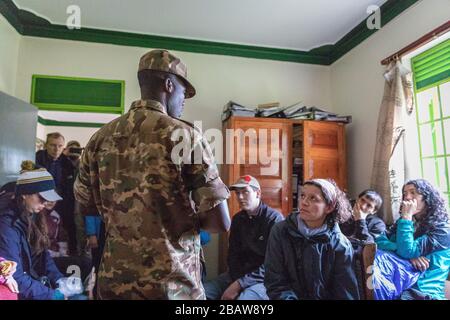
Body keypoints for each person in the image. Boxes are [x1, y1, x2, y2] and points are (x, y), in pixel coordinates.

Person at [74, 49, 231, 300]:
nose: (183, 101)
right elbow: (220, 222)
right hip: (172, 287)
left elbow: (85, 206)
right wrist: (176, 218)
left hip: (115, 284)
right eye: (183, 93)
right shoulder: (186, 136)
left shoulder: (100, 138)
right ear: (169, 85)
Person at [264, 178, 360, 300]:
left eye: (313, 198)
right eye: (302, 196)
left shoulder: (340, 244)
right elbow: (275, 281)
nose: (304, 202)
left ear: (329, 207)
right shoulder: (280, 231)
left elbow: (344, 291)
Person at [204, 175, 284, 300]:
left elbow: (272, 265)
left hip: (263, 279)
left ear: (257, 193)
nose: (240, 197)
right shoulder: (237, 219)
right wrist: (237, 281)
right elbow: (233, 254)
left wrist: (240, 284)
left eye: (245, 192)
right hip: (237, 275)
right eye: (237, 193)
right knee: (200, 293)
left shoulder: (274, 220)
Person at [0, 161, 66, 300]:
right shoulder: (6, 225)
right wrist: (51, 295)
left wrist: (60, 281)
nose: (45, 203)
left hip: (31, 281)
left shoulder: (33, 213)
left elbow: (42, 255)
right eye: (42, 198)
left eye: (48, 199)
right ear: (24, 194)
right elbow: (14, 276)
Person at [376, 179, 450, 300]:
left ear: (427, 197)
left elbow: (407, 251)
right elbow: (378, 241)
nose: (407, 197)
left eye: (413, 192)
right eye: (405, 193)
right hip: (398, 283)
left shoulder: (443, 230)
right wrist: (403, 252)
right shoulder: (405, 221)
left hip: (422, 292)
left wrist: (406, 218)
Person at [36, 133, 78, 255]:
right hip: (40, 201)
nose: (56, 149)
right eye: (53, 145)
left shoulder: (68, 164)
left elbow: (69, 188)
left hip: (62, 202)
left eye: (60, 146)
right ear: (46, 145)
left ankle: (69, 255)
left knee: (68, 228)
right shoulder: (36, 160)